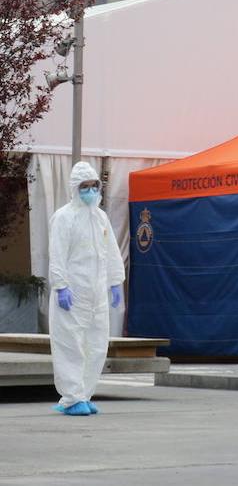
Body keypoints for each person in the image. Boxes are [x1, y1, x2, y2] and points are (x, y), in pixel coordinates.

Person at [47, 162, 125, 416]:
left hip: (97, 294)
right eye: (85, 187)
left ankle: (85, 393)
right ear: (74, 188)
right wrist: (60, 286)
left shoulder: (100, 217)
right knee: (70, 344)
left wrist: (115, 282)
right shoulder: (64, 217)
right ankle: (71, 397)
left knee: (97, 343)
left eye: (94, 186)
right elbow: (57, 254)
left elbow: (111, 252)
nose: (90, 191)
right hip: (72, 292)